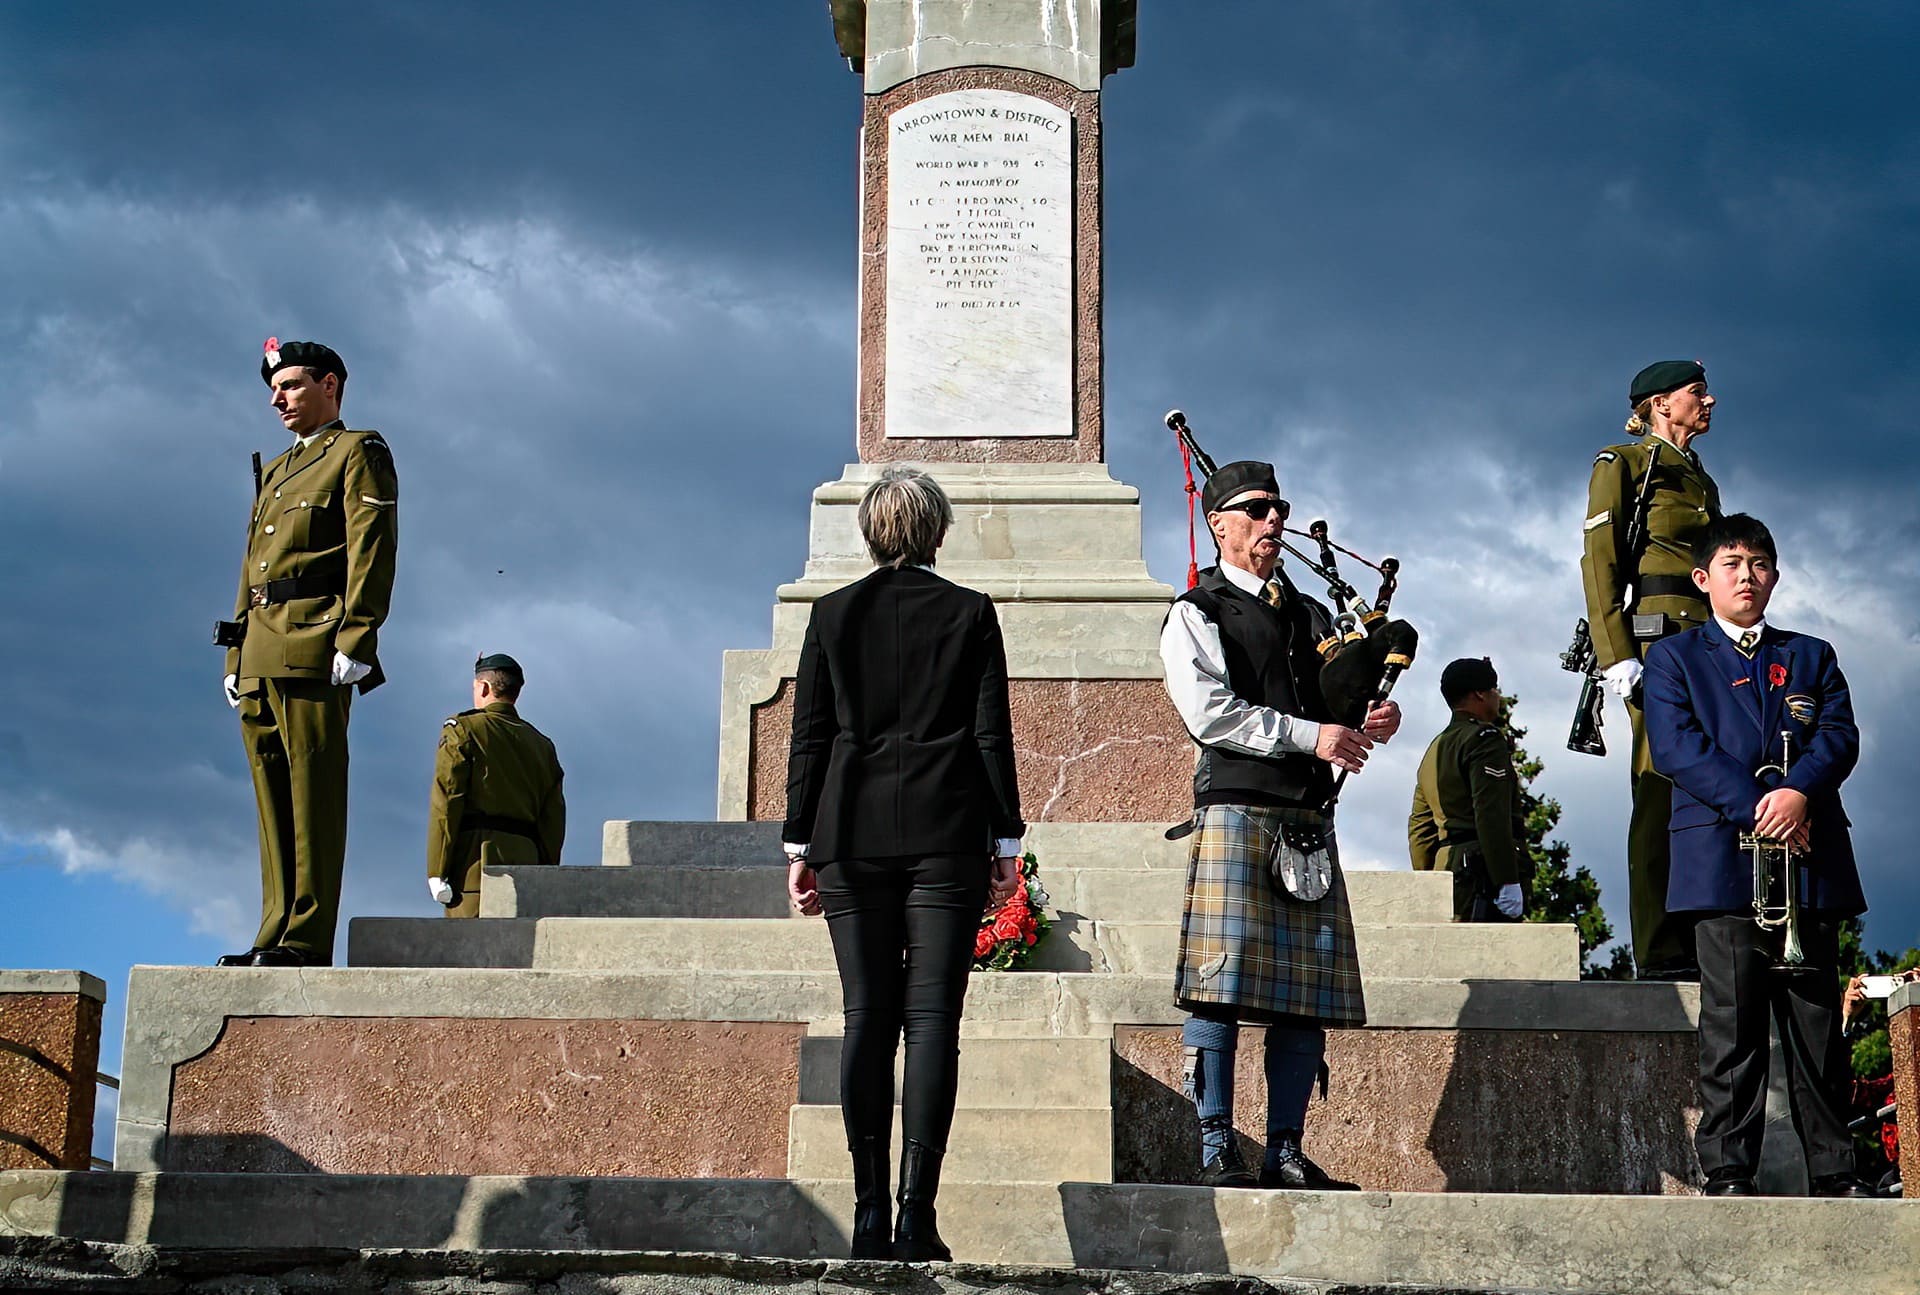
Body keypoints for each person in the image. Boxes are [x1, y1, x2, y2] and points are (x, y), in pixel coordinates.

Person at [781, 467, 1024, 1261]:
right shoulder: (969, 612)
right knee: (931, 1024)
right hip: (945, 831)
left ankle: (865, 1216)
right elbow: (991, 735)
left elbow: (809, 734)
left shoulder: (832, 613)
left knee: (865, 1018)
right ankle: (916, 1216)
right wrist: (1008, 842)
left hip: (848, 831)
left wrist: (798, 841)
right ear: (938, 532)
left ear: (869, 533)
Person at [1158, 460, 1401, 1190]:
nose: (1273, 522)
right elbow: (1209, 712)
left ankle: (1285, 1149)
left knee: (1302, 997)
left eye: (1279, 508)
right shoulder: (1196, 612)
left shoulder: (1309, 613)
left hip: (1306, 812)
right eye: (1256, 510)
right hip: (1237, 804)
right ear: (1219, 524)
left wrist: (1369, 717)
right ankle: (1214, 1145)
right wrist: (1311, 736)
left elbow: (1334, 698)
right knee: (1218, 988)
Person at [1642, 513, 1873, 1198]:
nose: (1748, 574)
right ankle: (1728, 1169)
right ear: (1702, 577)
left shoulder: (1813, 653)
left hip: (1808, 861)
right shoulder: (1674, 658)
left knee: (1817, 1028)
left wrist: (1797, 790)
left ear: (1775, 575)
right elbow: (1677, 747)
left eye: (1761, 563)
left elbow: (1839, 735)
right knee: (1731, 1025)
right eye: (1734, 562)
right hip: (1721, 863)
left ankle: (1836, 1170)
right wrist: (1762, 807)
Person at [215, 338, 397, 967]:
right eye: (274, 388)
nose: (278, 398)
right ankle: (273, 929)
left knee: (313, 794)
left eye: (290, 384)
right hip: (261, 649)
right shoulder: (277, 468)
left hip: (315, 642)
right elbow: (251, 567)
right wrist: (235, 654)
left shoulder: (356, 451)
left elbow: (371, 548)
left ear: (330, 384)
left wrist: (357, 634)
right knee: (272, 801)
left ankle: (305, 939)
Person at [1580, 359, 1723, 979]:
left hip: (1711, 650)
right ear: (1661, 404)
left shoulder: (1703, 481)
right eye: (1697, 393)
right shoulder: (1625, 464)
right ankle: (1664, 952)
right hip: (1658, 647)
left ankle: (1708, 941)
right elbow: (1599, 560)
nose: (1710, 400)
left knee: (1714, 789)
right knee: (1661, 791)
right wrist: (1617, 657)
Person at [425, 653, 566, 918]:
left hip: (475, 867)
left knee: (471, 952)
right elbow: (553, 821)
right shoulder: (542, 745)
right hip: (528, 868)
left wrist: (437, 870)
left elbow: (447, 800)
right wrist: (546, 873)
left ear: (485, 687)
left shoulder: (464, 729)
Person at [1407, 657, 1527, 922]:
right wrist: (1507, 879)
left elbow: (1420, 830)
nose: (1498, 696)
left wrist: (1430, 882)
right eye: (1495, 689)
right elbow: (1490, 814)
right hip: (1483, 876)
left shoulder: (1434, 749)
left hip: (1447, 874)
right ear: (1480, 694)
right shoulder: (1484, 740)